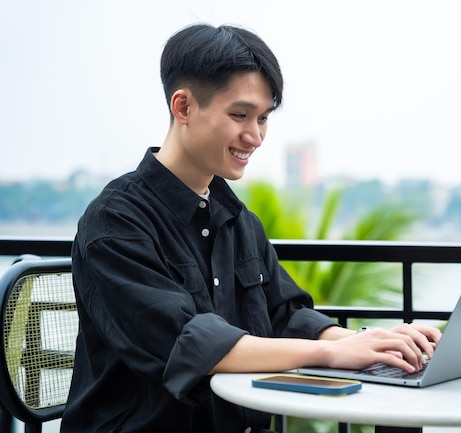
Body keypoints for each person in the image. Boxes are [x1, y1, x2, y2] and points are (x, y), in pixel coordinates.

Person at [60, 23, 441, 433]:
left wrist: (369, 343)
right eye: (240, 115)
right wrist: (333, 357)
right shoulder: (116, 222)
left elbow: (285, 315)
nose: (255, 136)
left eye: (263, 118)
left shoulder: (238, 220)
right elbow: (187, 344)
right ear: (183, 107)